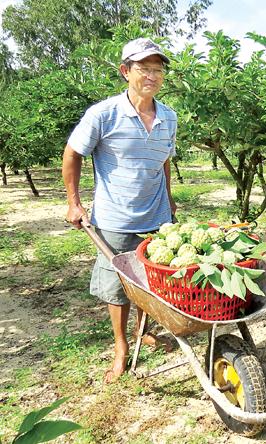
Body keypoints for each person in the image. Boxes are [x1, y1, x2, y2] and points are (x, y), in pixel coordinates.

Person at [62, 38, 178, 383]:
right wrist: (74, 202)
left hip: (156, 217)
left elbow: (164, 162)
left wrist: (169, 200)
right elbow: (72, 154)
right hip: (115, 219)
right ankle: (121, 346)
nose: (152, 76)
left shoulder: (168, 116)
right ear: (126, 71)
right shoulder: (103, 114)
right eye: (144, 68)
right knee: (117, 287)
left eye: (158, 70)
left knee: (151, 282)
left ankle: (145, 332)